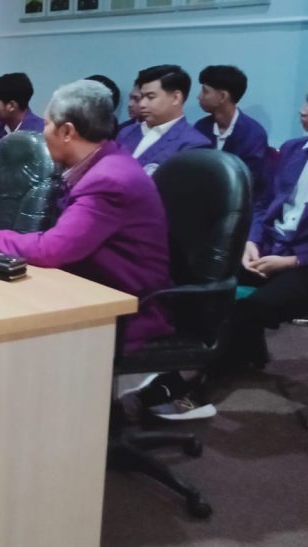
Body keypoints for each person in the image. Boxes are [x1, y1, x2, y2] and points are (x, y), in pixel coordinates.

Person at [0, 80, 172, 353]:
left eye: (47, 125)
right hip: (84, 288)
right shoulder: (101, 163)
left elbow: (52, 249)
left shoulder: (108, 180)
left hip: (123, 310)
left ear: (67, 131)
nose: (43, 133)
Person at [230, 98, 308, 368]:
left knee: (254, 307)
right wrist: (252, 241)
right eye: (305, 102)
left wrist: (292, 261)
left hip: (302, 262)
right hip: (271, 246)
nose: (303, 110)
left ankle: (188, 379)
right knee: (209, 276)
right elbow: (263, 202)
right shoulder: (292, 149)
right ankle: (248, 354)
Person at [116, 65, 212, 175]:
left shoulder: (194, 145)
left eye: (150, 97)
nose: (142, 104)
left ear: (176, 98)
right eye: (141, 97)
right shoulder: (126, 132)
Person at [194, 65, 268, 202]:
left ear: (222, 96)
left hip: (237, 203)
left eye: (205, 91)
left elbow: (248, 181)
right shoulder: (201, 127)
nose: (199, 97)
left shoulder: (254, 134)